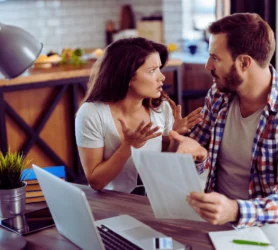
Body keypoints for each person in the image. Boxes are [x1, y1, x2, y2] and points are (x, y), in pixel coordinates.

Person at [170, 13, 278, 228]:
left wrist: (235, 211)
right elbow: (199, 154)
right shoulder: (219, 95)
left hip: (269, 230)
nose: (207, 65)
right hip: (216, 223)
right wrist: (196, 154)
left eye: (216, 57)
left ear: (244, 62)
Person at [75, 37, 203, 194]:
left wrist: (174, 138)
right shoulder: (92, 113)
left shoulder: (161, 108)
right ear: (127, 76)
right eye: (152, 71)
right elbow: (96, 182)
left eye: (159, 69)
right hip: (111, 204)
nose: (161, 77)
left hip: (154, 200)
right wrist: (128, 146)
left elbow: (162, 170)